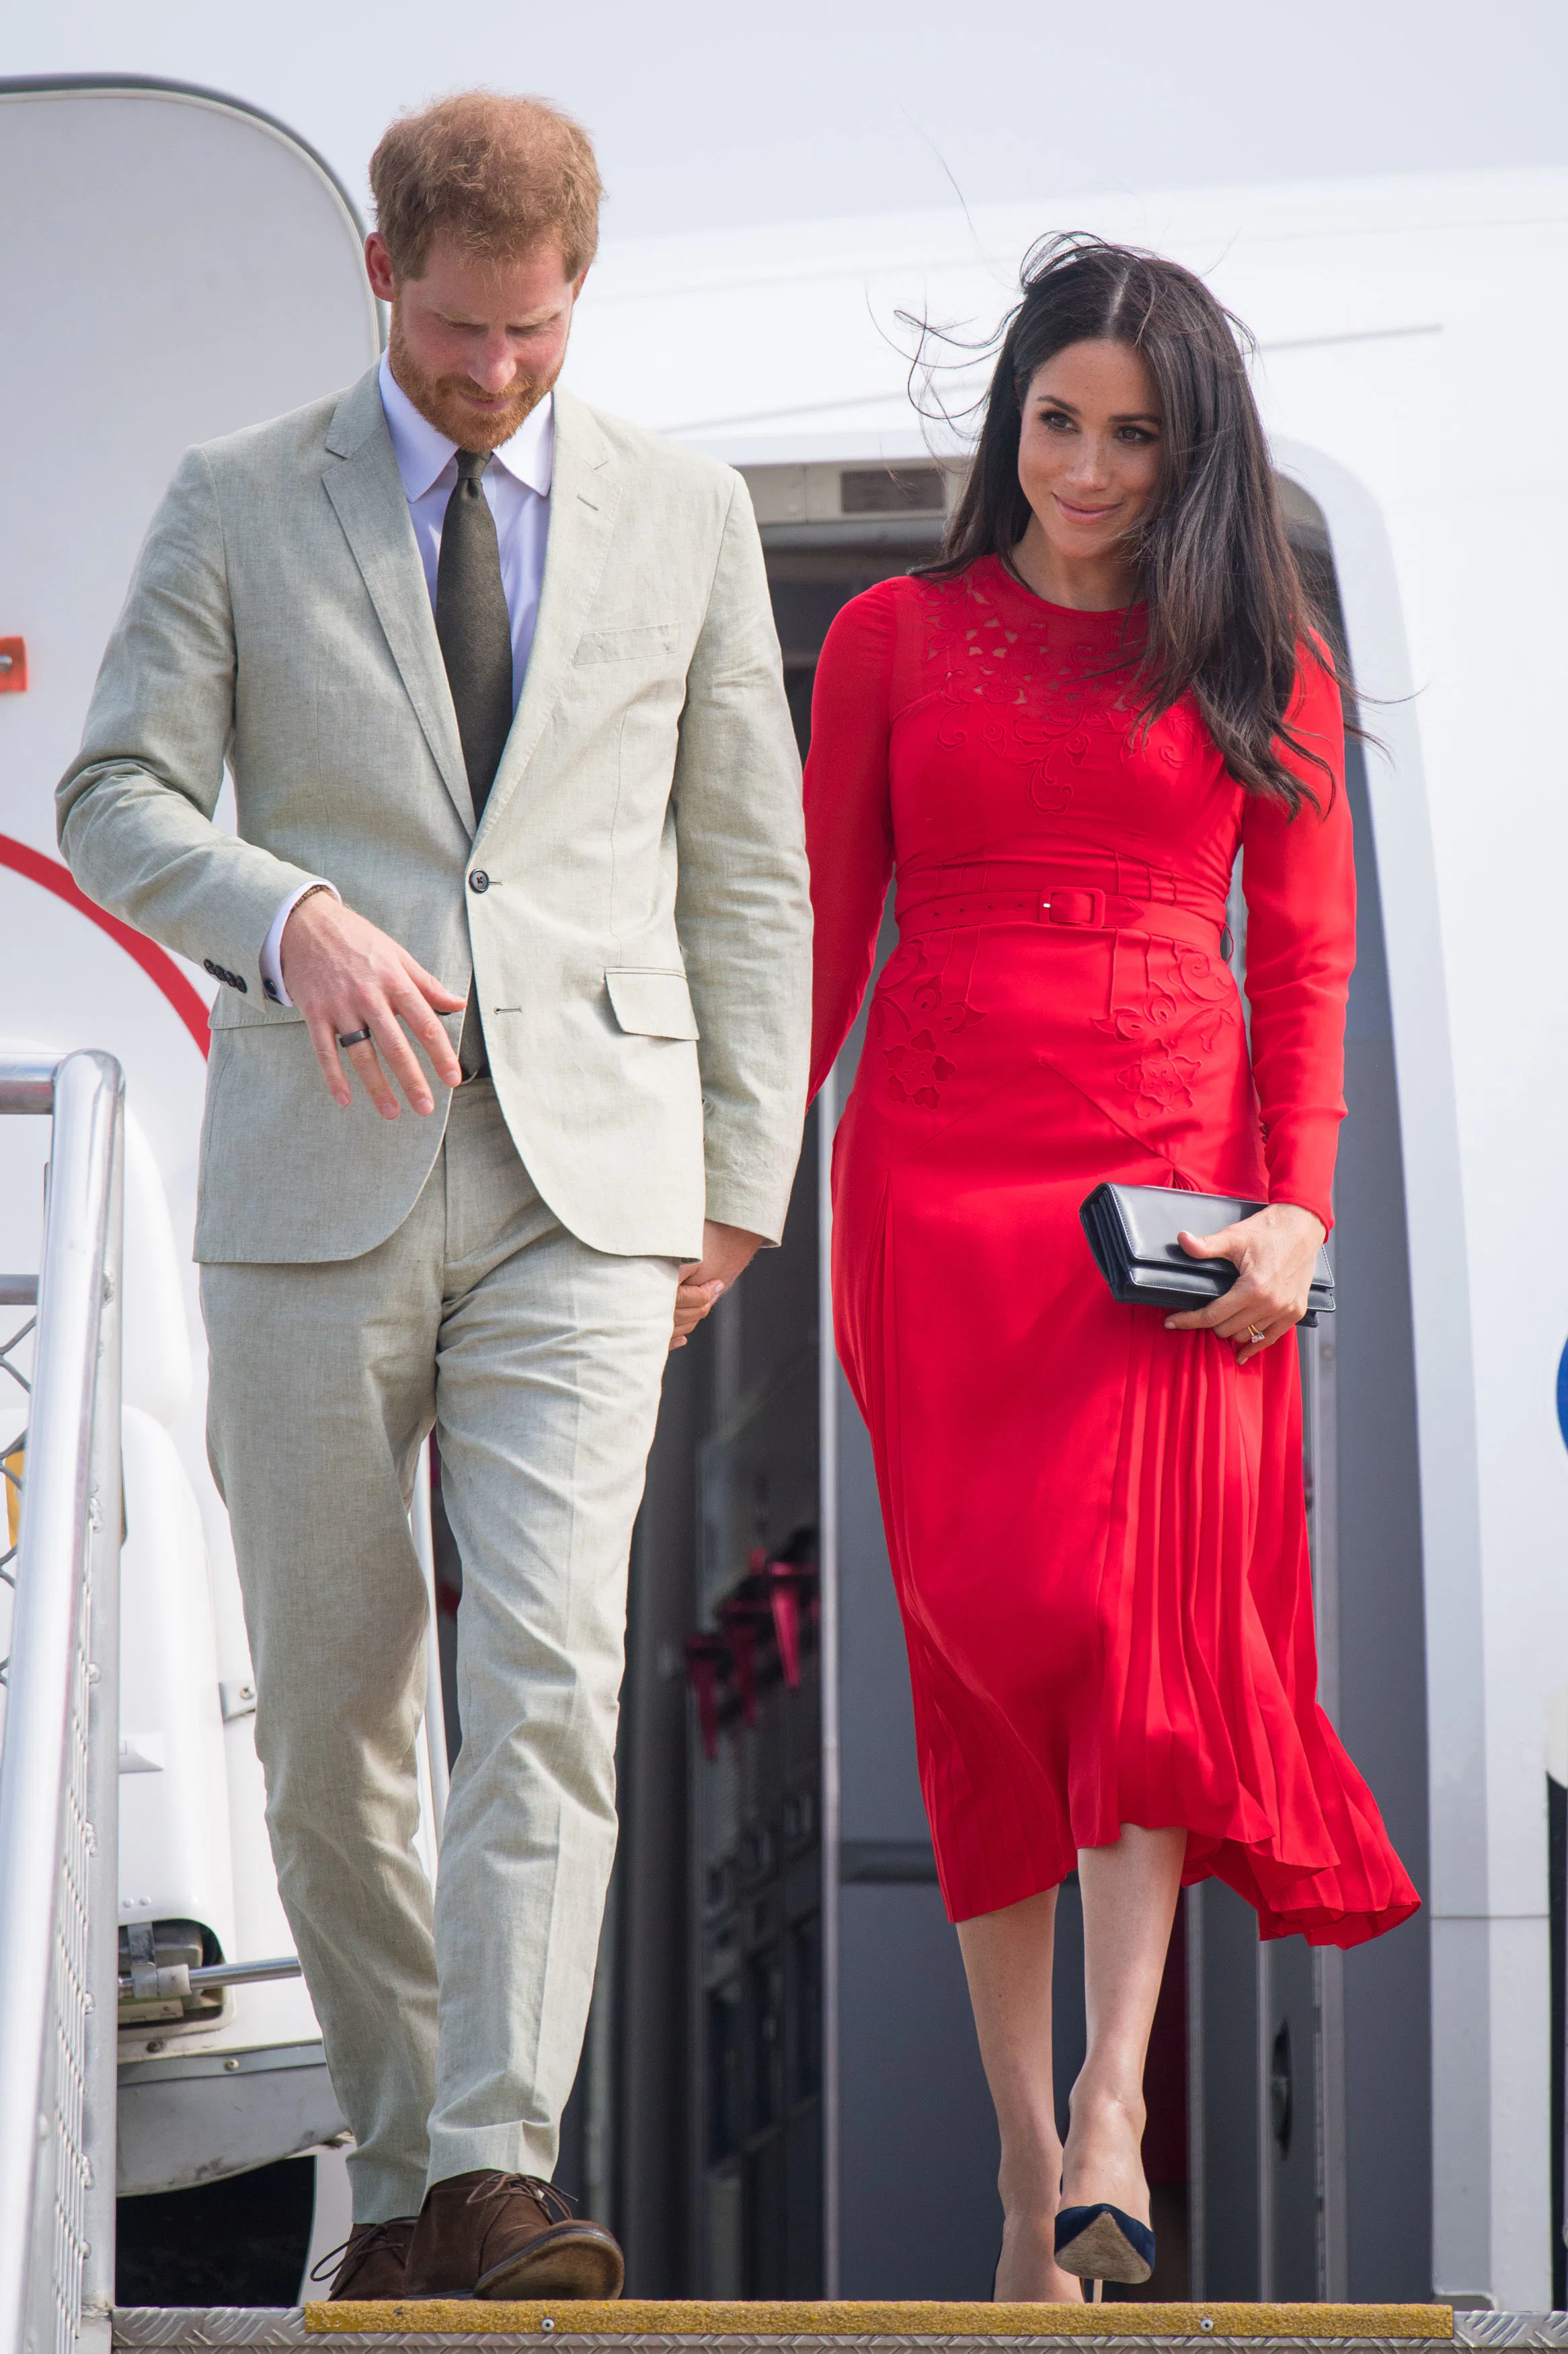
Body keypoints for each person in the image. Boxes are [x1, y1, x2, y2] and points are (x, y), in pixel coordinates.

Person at [58, 93, 810, 2301]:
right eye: (464, 329)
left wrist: (743, 1175)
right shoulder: (232, 496)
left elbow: (741, 866)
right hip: (314, 1173)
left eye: (538, 331)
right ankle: (396, 2179)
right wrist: (282, 911)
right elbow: (110, 793)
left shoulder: (684, 511)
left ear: (581, 286)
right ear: (380, 271)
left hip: (594, 1184)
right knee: (332, 1699)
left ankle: (493, 2159)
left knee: (552, 1674)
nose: (499, 371)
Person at [804, 235, 1417, 2302]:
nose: (1085, 467)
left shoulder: (1270, 662)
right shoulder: (888, 638)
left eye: (1131, 435)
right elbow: (815, 942)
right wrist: (717, 1202)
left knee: (1130, 1636)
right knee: (987, 1662)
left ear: (1192, 452)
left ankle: (1114, 2101)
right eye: (1055, 422)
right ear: (1011, 424)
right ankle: (1013, 2167)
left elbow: (1314, 962)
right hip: (938, 1187)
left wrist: (1298, 1207)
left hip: (1170, 1207)